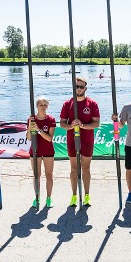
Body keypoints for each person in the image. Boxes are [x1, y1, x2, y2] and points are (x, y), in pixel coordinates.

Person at [60, 76, 101, 206]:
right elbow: (62, 124)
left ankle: (87, 195)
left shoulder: (92, 103)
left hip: (87, 140)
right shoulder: (68, 104)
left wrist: (83, 125)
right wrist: (71, 125)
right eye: (76, 86)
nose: (78, 89)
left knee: (86, 168)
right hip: (72, 140)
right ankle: (74, 195)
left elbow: (96, 123)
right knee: (73, 169)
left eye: (81, 87)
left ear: (85, 88)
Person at [27, 96, 56, 208]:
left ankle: (49, 198)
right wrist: (30, 126)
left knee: (49, 175)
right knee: (36, 175)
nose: (43, 107)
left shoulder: (51, 119)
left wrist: (38, 130)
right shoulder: (32, 119)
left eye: (45, 105)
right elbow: (29, 138)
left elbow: (49, 138)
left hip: (48, 150)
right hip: (35, 150)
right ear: (37, 106)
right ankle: (37, 197)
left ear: (47, 106)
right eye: (40, 105)